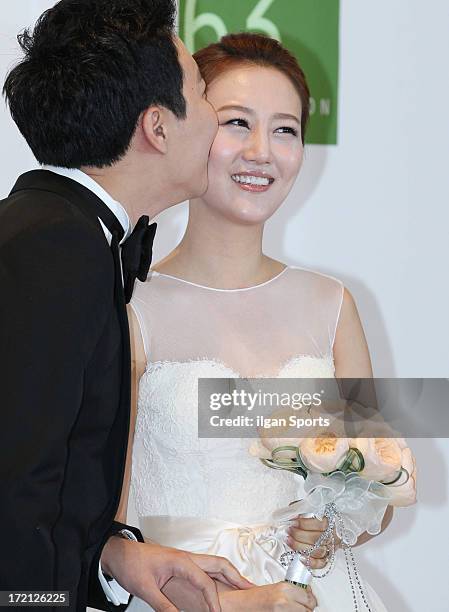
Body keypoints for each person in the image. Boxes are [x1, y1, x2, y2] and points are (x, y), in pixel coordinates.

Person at [0, 2, 253, 610]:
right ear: (157, 128)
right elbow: (15, 488)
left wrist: (111, 562)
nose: (216, 118)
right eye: (202, 92)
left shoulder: (64, 234)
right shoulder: (54, 248)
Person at [126, 33, 393, 611]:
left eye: (285, 129)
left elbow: (377, 487)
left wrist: (335, 525)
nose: (261, 152)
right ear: (185, 126)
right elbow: (103, 525)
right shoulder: (130, 305)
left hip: (310, 594)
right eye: (237, 123)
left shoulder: (331, 305)